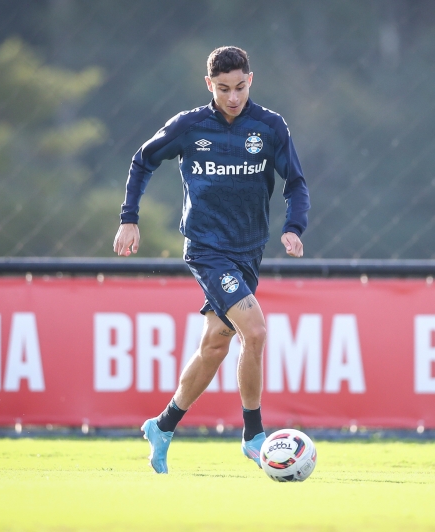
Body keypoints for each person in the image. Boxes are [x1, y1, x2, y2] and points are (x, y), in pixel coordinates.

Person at [113, 46, 310, 474]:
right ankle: (253, 435)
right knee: (254, 331)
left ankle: (162, 426)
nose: (233, 97)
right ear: (209, 85)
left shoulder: (270, 127)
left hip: (249, 251)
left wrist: (294, 226)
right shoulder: (189, 126)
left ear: (250, 80)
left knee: (217, 343)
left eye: (239, 87)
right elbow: (142, 161)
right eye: (223, 89)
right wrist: (129, 218)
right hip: (206, 249)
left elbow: (295, 183)